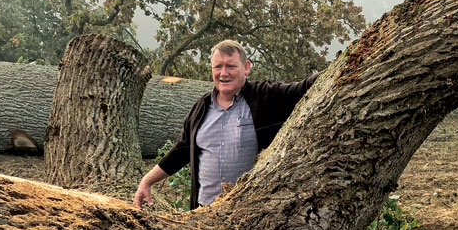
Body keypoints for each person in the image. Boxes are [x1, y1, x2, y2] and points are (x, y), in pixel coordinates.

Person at [133, 40, 319, 210]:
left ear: (246, 68)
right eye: (218, 67)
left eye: (231, 66)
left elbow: (304, 87)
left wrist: (346, 61)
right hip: (204, 212)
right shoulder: (201, 108)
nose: (223, 73)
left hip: (250, 214)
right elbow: (181, 151)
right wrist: (147, 181)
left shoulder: (266, 96)